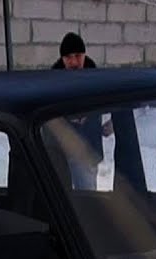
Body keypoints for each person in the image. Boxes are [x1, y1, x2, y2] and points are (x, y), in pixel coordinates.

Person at [51, 32, 105, 190]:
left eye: (78, 55)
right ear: (62, 58)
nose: (74, 62)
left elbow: (104, 103)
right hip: (60, 151)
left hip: (87, 150)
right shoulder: (53, 80)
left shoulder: (94, 77)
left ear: (84, 55)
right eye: (68, 57)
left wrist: (111, 123)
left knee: (88, 197)